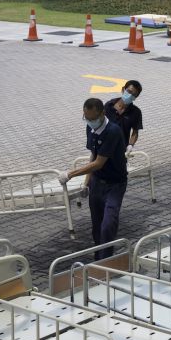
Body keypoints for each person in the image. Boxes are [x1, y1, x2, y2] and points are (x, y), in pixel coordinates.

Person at [59, 98, 127, 260]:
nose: (89, 122)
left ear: (102, 113)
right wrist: (86, 183)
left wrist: (70, 174)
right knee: (96, 227)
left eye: (92, 118)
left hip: (114, 185)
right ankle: (99, 260)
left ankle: (106, 260)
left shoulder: (112, 131)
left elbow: (98, 163)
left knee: (108, 224)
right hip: (97, 184)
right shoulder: (91, 129)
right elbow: (93, 155)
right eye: (86, 118)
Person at [104, 80, 143, 154]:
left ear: (135, 98)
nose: (130, 95)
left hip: (121, 149)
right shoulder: (109, 105)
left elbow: (135, 132)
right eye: (129, 91)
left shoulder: (136, 112)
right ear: (123, 89)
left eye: (134, 95)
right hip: (104, 147)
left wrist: (130, 145)